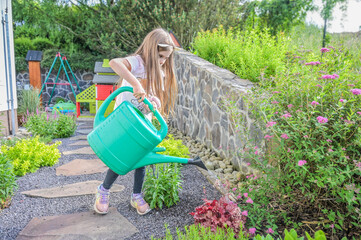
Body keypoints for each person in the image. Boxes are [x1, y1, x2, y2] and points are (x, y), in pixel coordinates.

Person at [94, 28, 177, 215]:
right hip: (124, 121)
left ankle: (136, 195)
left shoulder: (159, 73)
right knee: (122, 158)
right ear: (151, 50)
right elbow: (115, 63)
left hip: (142, 122)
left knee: (141, 160)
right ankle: (103, 190)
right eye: (161, 56)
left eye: (166, 58)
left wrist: (154, 103)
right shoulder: (137, 63)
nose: (163, 61)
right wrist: (136, 83)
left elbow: (152, 99)